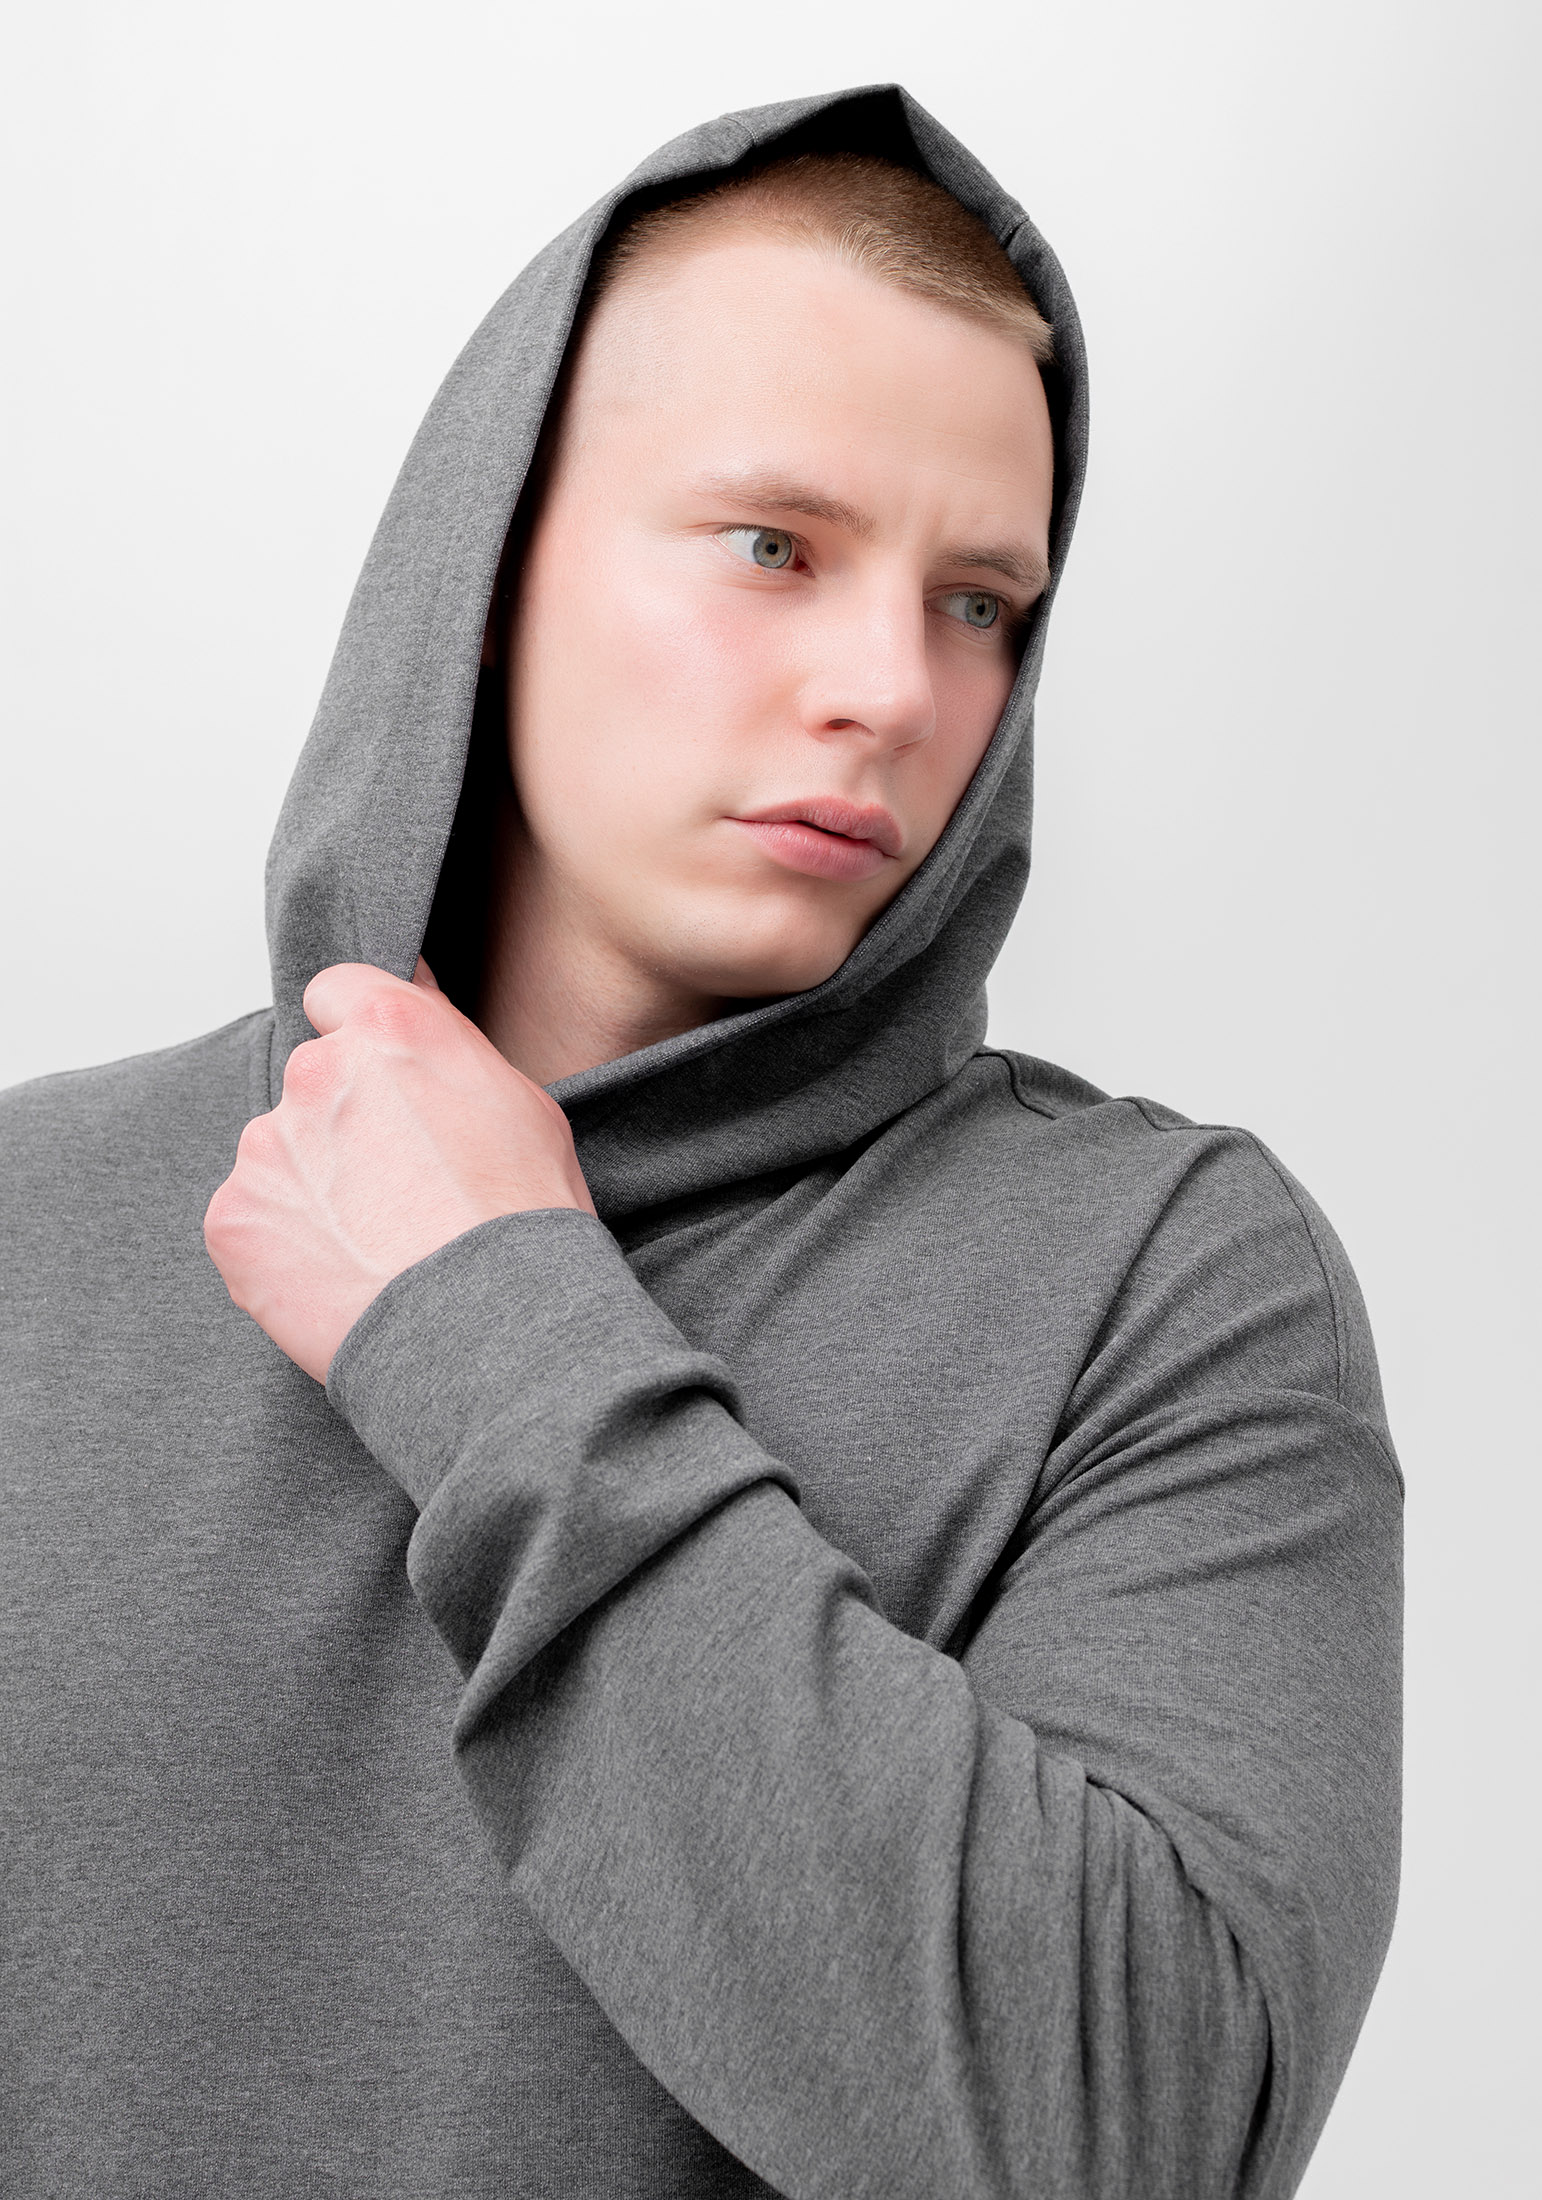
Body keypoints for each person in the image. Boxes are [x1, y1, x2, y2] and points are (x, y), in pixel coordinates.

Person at [0, 84, 1401, 2200]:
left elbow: (1132, 2139)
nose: (893, 689)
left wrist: (488, 1322)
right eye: (776, 547)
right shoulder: (28, 1227)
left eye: (979, 602)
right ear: (492, 564)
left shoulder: (1166, 1284)